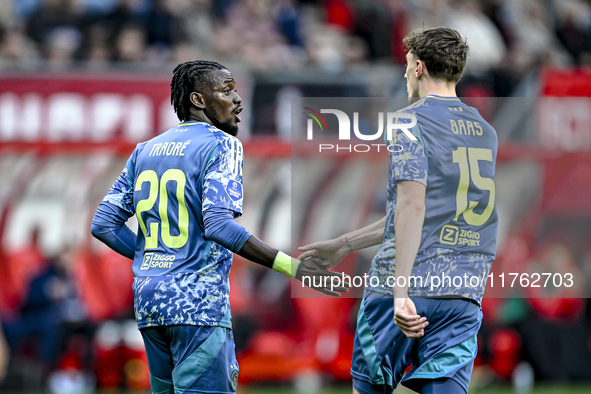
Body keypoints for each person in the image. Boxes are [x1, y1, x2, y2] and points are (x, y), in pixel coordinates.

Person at [91, 60, 347, 394]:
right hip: (195, 303)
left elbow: (104, 224)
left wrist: (156, 257)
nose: (237, 100)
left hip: (151, 302)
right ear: (198, 100)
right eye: (227, 90)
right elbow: (218, 226)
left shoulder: (145, 150)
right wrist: (294, 267)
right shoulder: (221, 144)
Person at [298, 27, 498, 394]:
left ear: (419, 67)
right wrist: (345, 243)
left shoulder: (409, 121)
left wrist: (400, 291)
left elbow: (411, 204)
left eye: (406, 65)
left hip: (405, 284)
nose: (405, 74)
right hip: (462, 291)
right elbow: (429, 212)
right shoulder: (484, 130)